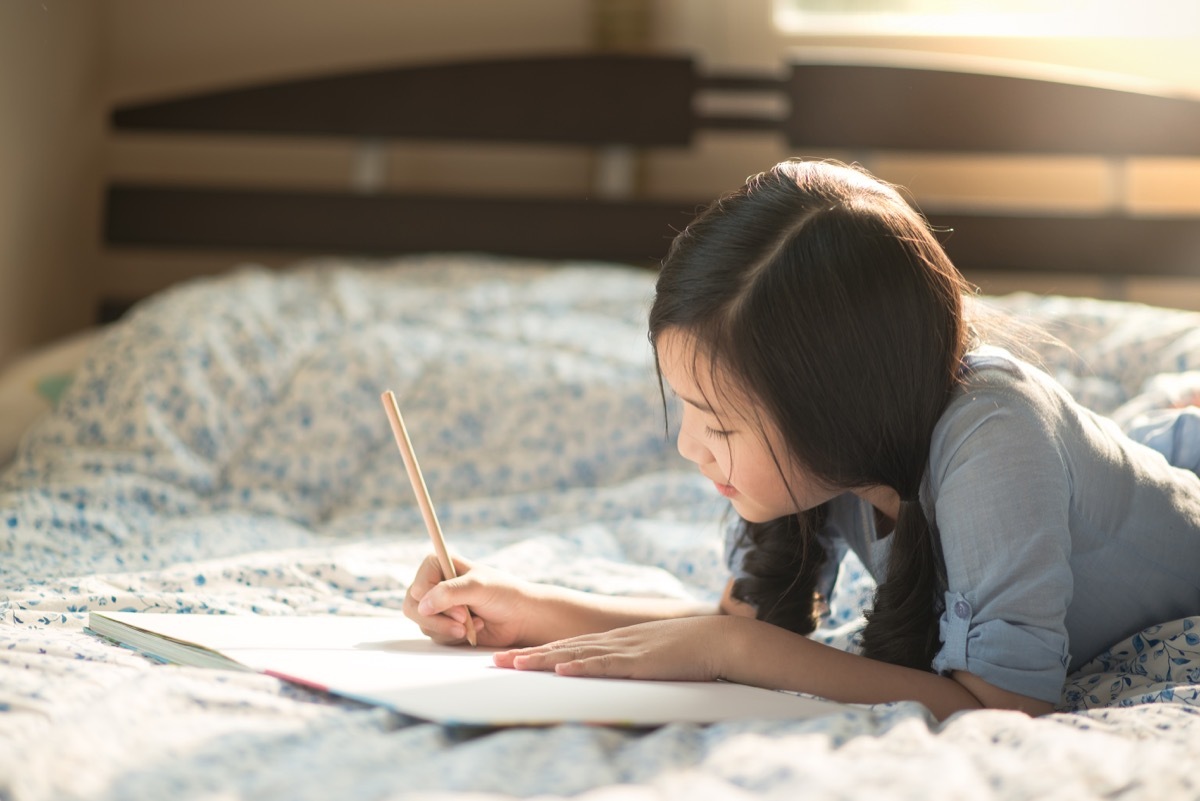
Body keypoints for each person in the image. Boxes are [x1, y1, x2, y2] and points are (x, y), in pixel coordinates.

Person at [402, 159, 1200, 721]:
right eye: (685, 409)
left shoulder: (993, 442)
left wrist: (735, 652)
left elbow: (1008, 705)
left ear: (835, 404)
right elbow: (720, 628)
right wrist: (522, 606)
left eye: (718, 423)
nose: (689, 447)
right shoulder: (832, 459)